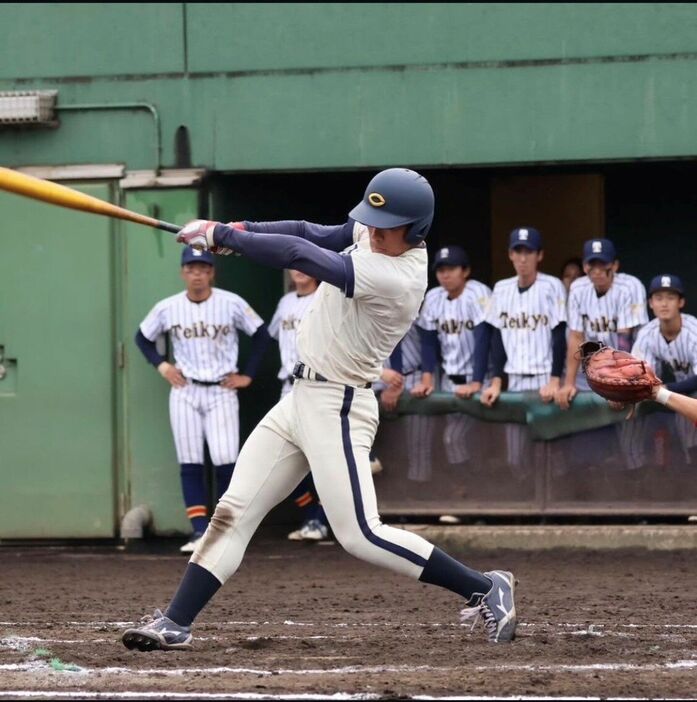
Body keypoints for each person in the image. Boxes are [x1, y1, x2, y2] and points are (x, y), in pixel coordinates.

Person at [121, 168, 517, 652]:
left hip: (340, 405)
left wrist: (221, 236)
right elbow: (309, 232)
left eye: (385, 225)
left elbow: (300, 255)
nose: (372, 230)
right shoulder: (375, 235)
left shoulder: (399, 275)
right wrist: (237, 231)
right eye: (371, 220)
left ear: (415, 231)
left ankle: (484, 586)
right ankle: (176, 622)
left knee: (361, 535)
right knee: (234, 510)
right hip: (300, 398)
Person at [135, 246, 271, 553]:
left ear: (212, 272)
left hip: (222, 389)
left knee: (225, 460)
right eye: (191, 268)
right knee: (191, 461)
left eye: (203, 268)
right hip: (186, 390)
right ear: (183, 272)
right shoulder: (168, 307)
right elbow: (142, 337)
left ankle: (223, 531)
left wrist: (247, 375)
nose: (197, 274)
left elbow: (262, 335)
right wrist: (163, 365)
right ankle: (199, 531)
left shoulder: (231, 303)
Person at [478, 228, 567, 478]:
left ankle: (556, 514)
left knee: (551, 449)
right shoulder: (501, 288)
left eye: (529, 252)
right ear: (510, 255)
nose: (523, 258)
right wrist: (496, 382)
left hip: (543, 379)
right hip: (514, 380)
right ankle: (521, 514)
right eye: (518, 251)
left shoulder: (552, 286)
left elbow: (559, 334)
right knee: (516, 452)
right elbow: (497, 337)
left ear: (539, 255)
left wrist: (555, 379)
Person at [268, 269, 331, 541]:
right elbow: (270, 335)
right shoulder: (285, 303)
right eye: (294, 265)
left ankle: (320, 519)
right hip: (289, 386)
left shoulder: (327, 298)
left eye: (304, 264)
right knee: (279, 458)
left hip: (319, 386)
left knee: (323, 460)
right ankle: (311, 514)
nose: (298, 270)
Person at [556, 238, 648, 410]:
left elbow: (625, 339)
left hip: (633, 367)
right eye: (592, 264)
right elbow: (576, 337)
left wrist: (620, 385)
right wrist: (569, 383)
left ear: (614, 265)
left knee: (629, 431)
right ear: (585, 267)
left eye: (602, 264)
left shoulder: (630, 286)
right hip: (594, 372)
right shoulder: (578, 288)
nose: (597, 270)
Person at [622, 275, 697, 468]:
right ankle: (635, 476)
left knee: (687, 417)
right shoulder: (647, 334)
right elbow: (637, 375)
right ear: (651, 303)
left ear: (681, 302)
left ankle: (691, 469)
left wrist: (665, 389)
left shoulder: (693, 331)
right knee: (633, 407)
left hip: (690, 391)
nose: (664, 303)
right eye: (659, 298)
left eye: (670, 297)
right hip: (672, 391)